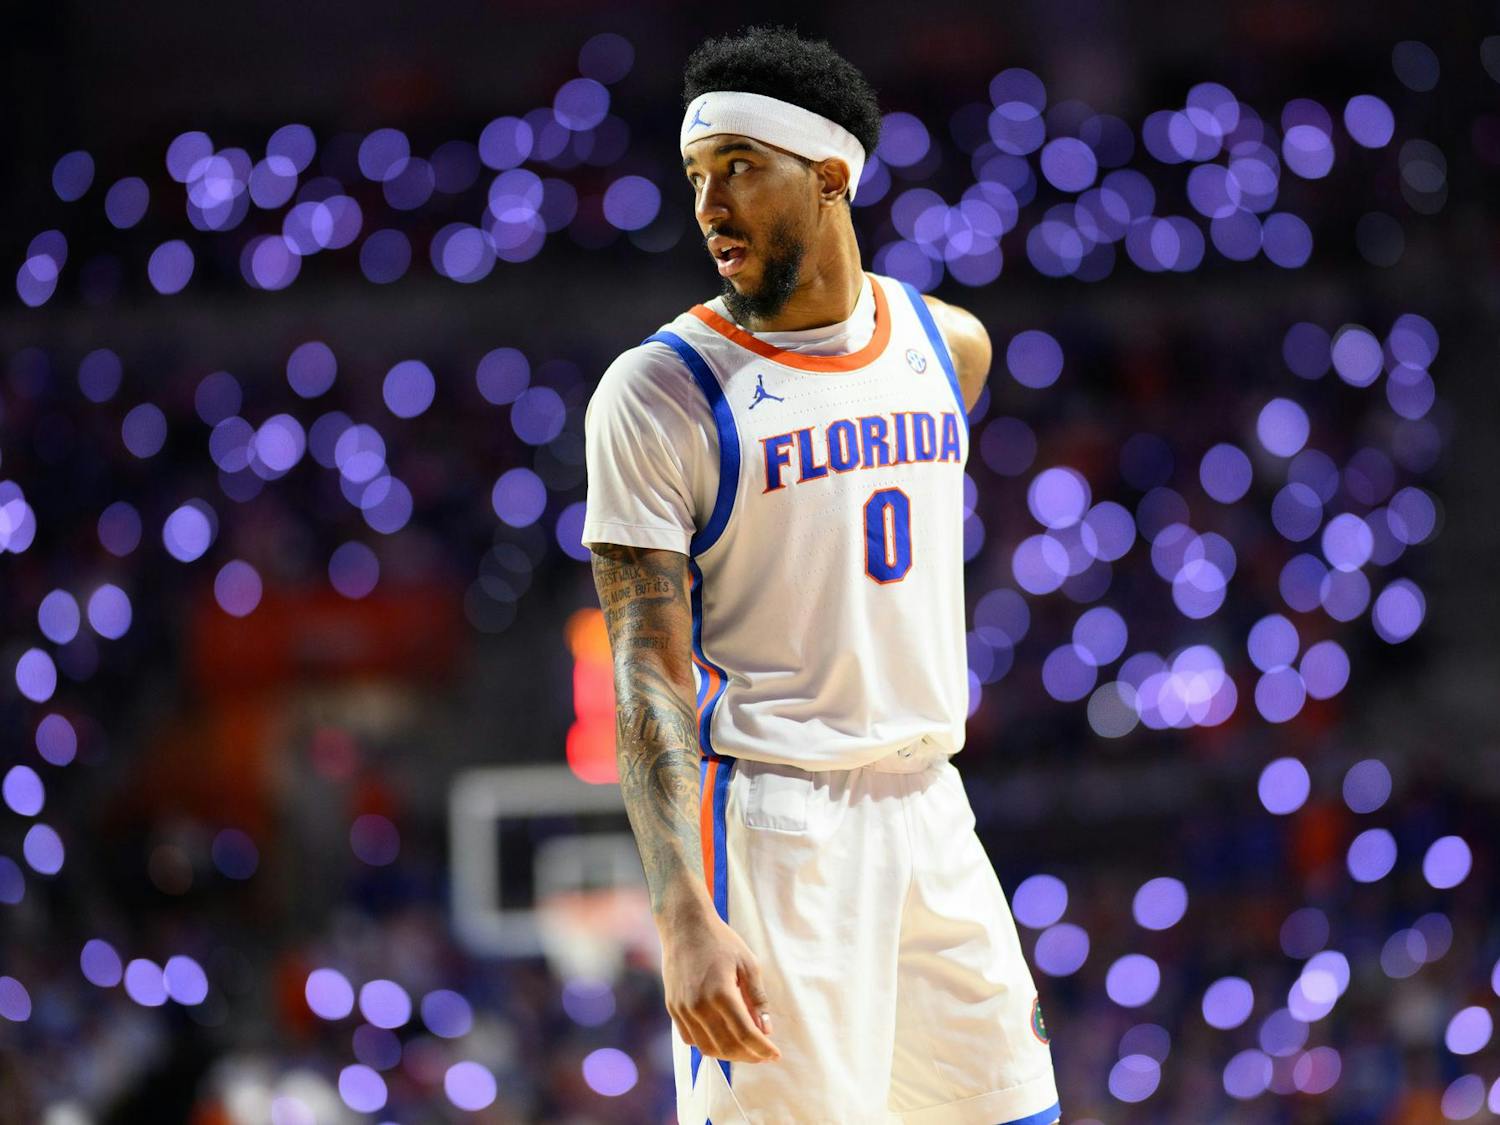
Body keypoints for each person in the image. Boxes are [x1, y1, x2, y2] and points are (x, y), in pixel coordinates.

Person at [582, 25, 1062, 1125]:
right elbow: (643, 676)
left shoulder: (952, 347)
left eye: (741, 168)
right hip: (777, 826)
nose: (710, 204)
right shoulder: (657, 396)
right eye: (698, 176)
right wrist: (681, 914)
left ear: (831, 176)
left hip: (932, 803)